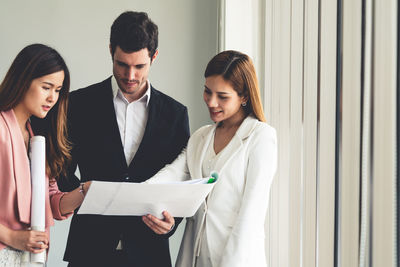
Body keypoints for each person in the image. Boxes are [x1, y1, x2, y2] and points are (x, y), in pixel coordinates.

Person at [58, 11, 190, 267]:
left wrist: (171, 222)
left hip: (150, 253)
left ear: (155, 57)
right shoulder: (78, 104)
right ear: (110, 51)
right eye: (122, 64)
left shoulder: (175, 114)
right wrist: (85, 194)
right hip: (88, 249)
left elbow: (181, 177)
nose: (130, 75)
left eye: (139, 66)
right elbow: (61, 168)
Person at [144, 50, 277, 267]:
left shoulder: (261, 137)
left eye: (222, 97)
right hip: (194, 257)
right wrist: (137, 194)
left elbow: (251, 214)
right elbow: (174, 172)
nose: (212, 102)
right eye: (207, 92)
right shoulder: (201, 137)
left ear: (244, 96)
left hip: (236, 258)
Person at [0, 44, 91, 266]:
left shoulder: (37, 138)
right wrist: (12, 237)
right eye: (46, 87)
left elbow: (50, 201)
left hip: (28, 258)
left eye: (58, 90)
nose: (53, 98)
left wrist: (85, 191)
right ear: (23, 80)